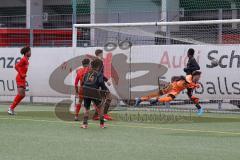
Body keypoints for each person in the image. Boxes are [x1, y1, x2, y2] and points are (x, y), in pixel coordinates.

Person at [135, 71, 204, 116]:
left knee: (169, 99)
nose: (199, 78)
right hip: (172, 86)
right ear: (194, 75)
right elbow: (187, 81)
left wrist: (192, 97)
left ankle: (157, 100)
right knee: (158, 93)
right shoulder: (189, 77)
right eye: (198, 76)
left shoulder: (194, 83)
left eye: (199, 77)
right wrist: (194, 85)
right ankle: (140, 99)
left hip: (176, 91)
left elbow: (189, 91)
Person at [81, 59, 109, 129]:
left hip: (85, 90)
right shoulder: (99, 73)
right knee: (101, 107)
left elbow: (82, 82)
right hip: (93, 91)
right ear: (98, 66)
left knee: (86, 108)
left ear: (91, 65)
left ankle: (84, 124)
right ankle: (102, 124)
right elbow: (101, 83)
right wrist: (106, 90)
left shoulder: (87, 73)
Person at [8, 46, 31, 115]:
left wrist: (23, 75)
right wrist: (22, 74)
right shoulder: (23, 59)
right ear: (26, 52)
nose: (30, 53)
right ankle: (11, 108)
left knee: (22, 95)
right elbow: (16, 66)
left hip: (22, 78)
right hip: (20, 78)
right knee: (20, 94)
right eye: (29, 51)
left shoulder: (26, 60)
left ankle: (11, 108)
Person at [92, 49, 112, 121]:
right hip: (99, 83)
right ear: (99, 54)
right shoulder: (99, 62)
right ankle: (104, 114)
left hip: (97, 83)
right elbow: (99, 74)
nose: (103, 55)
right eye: (102, 53)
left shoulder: (93, 61)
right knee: (109, 97)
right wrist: (106, 81)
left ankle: (96, 115)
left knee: (102, 99)